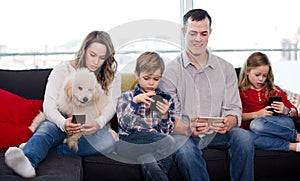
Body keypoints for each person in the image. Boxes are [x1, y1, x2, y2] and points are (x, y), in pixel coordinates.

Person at [4, 30, 121, 178]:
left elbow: (112, 104)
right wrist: (63, 123)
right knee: (46, 129)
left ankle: (36, 147)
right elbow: (49, 106)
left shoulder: (113, 76)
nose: (96, 62)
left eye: (102, 57)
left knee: (109, 142)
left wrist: (99, 123)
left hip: (89, 128)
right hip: (61, 119)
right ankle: (29, 161)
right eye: (92, 55)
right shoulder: (63, 69)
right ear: (84, 50)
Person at [159, 9, 254, 181]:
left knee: (243, 136)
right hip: (185, 133)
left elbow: (234, 109)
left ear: (210, 33)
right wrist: (188, 128)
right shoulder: (170, 72)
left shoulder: (226, 68)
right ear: (183, 32)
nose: (198, 39)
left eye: (203, 34)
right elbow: (169, 118)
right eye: (193, 33)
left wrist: (228, 122)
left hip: (217, 133)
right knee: (184, 150)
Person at [116, 51, 176, 181]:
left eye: (156, 79)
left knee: (148, 158)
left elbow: (166, 132)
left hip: (154, 144)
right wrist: (135, 103)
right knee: (168, 141)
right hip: (129, 142)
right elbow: (124, 126)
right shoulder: (126, 97)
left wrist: (165, 115)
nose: (151, 83)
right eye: (146, 78)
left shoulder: (166, 99)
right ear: (137, 75)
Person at [238, 51, 300, 152]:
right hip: (255, 129)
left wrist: (285, 110)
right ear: (247, 71)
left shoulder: (273, 89)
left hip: (281, 123)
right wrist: (256, 114)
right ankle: (293, 147)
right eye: (257, 75)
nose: (261, 79)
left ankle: (297, 137)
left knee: (256, 125)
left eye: (264, 75)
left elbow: (295, 113)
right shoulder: (239, 92)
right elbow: (236, 116)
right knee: (246, 136)